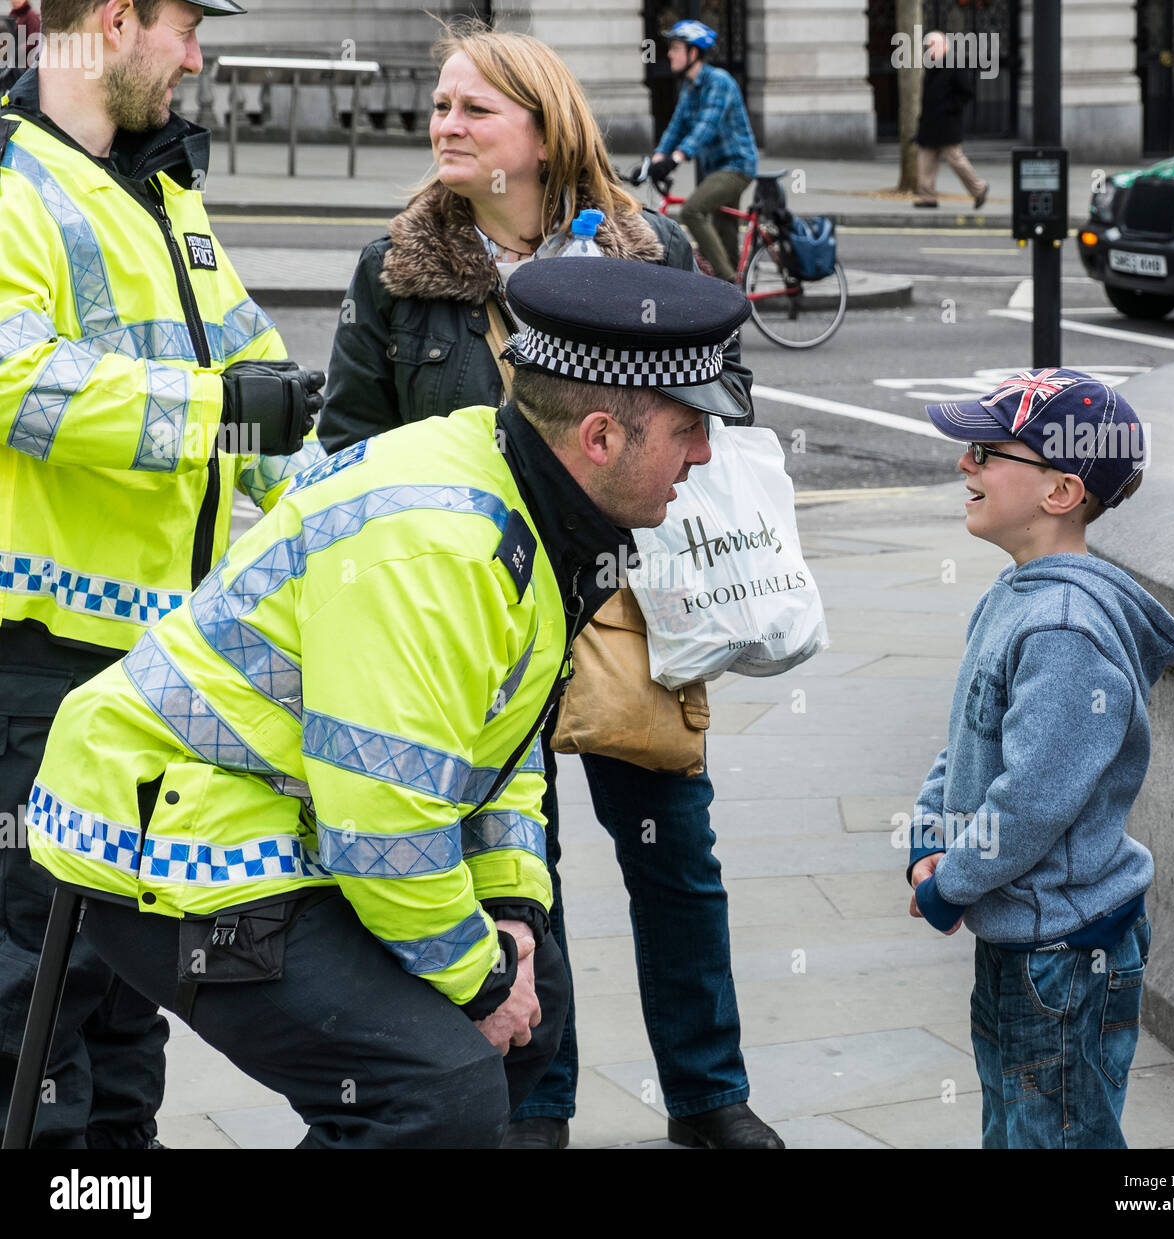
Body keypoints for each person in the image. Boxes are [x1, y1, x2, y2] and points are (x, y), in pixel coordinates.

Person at [26, 256, 753, 1150]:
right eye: (689, 427)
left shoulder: (528, 495)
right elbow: (384, 826)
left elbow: (505, 742)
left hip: (290, 818)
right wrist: (483, 981)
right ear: (600, 437)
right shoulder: (439, 549)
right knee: (435, 1094)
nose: (706, 452)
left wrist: (515, 915)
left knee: (536, 1005)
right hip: (175, 839)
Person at [318, 24, 781, 1150]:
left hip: (630, 601)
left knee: (674, 852)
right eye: (438, 107)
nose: (444, 126)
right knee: (520, 871)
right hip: (476, 615)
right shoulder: (396, 268)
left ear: (541, 126)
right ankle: (539, 1101)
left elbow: (730, 393)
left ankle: (710, 1096)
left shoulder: (649, 248)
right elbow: (346, 441)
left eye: (472, 109)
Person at [0, 0, 326, 1148]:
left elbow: (266, 393)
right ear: (118, 18)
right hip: (38, 668)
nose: (197, 55)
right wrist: (222, 411)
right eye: (185, 26)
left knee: (125, 987)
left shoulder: (162, 192)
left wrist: (345, 508)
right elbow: (14, 385)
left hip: (152, 668)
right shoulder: (12, 183)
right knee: (32, 1004)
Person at [905, 368, 1174, 1148]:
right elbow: (966, 738)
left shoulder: (1064, 629)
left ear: (1060, 491)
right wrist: (932, 834)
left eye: (987, 451)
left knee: (1056, 1136)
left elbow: (1032, 798)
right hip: (1024, 939)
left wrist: (952, 882)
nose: (965, 463)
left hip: (1064, 954)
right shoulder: (1015, 594)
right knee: (1019, 1128)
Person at [649, 19, 757, 283]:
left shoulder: (719, 82)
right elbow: (676, 127)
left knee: (692, 211)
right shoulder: (689, 87)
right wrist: (656, 158)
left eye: (675, 48)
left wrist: (677, 157)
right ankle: (733, 288)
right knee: (724, 233)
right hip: (714, 169)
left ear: (693, 53)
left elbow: (705, 127)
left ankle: (726, 283)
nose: (669, 54)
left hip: (735, 166)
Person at [912, 30, 988, 210]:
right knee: (925, 161)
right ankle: (927, 196)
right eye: (927, 46)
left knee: (955, 160)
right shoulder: (931, 67)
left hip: (947, 124)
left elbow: (966, 93)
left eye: (932, 46)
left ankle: (979, 189)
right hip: (930, 124)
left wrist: (949, 108)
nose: (928, 49)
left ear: (944, 46)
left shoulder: (955, 66)